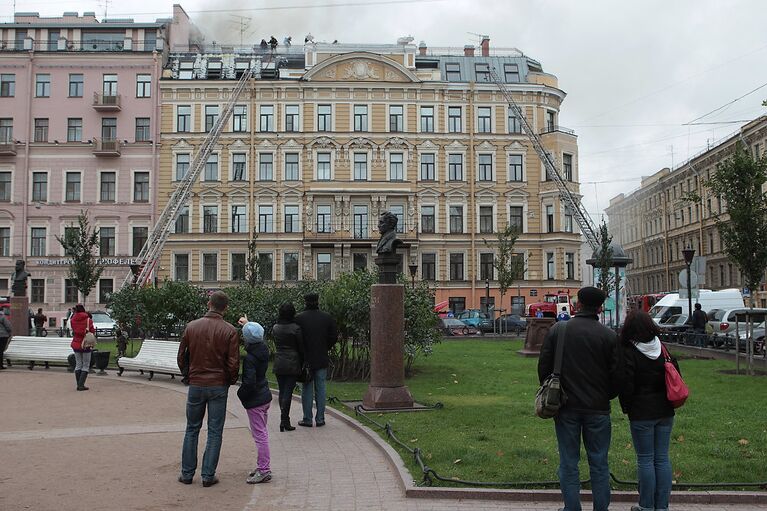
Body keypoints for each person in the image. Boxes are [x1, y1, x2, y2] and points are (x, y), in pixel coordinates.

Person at [537, 286, 621, 511]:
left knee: (568, 462)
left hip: (565, 408)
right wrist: (604, 395)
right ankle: (600, 508)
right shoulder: (610, 336)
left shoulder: (559, 330)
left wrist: (558, 392)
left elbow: (543, 369)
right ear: (600, 308)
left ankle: (571, 507)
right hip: (599, 409)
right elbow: (618, 376)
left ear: (578, 305)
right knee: (599, 463)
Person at [177, 291, 240, 487]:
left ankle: (187, 474)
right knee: (215, 430)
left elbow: (181, 356)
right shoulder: (230, 331)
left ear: (208, 304)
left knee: (192, 428)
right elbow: (233, 363)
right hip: (218, 384)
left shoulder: (192, 327)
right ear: (226, 308)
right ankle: (207, 475)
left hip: (196, 383)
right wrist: (229, 380)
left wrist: (188, 375)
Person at [619, 310, 678, 511]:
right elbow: (675, 373)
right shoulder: (662, 348)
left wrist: (626, 407)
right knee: (662, 458)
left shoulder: (629, 350)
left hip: (641, 411)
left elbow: (626, 384)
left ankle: (646, 506)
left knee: (645, 459)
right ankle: (662, 506)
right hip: (665, 409)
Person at [236, 317, 273, 484]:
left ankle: (264, 469)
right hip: (264, 396)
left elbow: (249, 382)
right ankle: (262, 466)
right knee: (262, 433)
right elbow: (255, 334)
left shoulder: (251, 358)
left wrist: (241, 394)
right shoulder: (262, 349)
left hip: (256, 400)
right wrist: (248, 324)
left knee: (260, 435)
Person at [295, 293, 337, 427]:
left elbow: (296, 338)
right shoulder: (326, 317)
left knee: (306, 388)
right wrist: (325, 347)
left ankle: (307, 418)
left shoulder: (299, 319)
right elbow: (334, 336)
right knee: (321, 388)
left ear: (305, 302)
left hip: (306, 359)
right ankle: (320, 419)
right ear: (318, 301)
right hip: (321, 357)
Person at [272, 302, 304, 432]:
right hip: (292, 362)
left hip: (279, 361)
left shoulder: (275, 327)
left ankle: (284, 420)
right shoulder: (296, 328)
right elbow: (301, 348)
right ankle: (284, 420)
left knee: (282, 391)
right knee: (288, 393)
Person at [70, 304, 95, 391]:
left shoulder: (72, 320)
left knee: (78, 364)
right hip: (86, 344)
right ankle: (81, 385)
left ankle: (78, 384)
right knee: (85, 365)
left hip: (76, 343)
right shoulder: (88, 320)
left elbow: (74, 330)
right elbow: (92, 331)